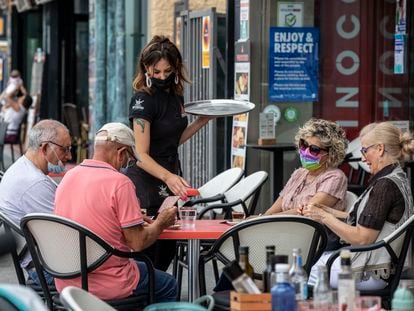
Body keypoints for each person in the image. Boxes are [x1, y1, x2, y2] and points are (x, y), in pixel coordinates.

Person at [54, 122, 178, 302]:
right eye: (130, 158)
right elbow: (137, 242)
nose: (128, 164)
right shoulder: (120, 182)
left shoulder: (68, 176)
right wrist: (161, 222)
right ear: (121, 153)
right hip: (108, 281)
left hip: (67, 279)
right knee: (168, 284)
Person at [124, 35, 212, 271]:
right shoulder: (142, 101)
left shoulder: (176, 96)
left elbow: (171, 141)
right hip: (146, 183)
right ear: (146, 68)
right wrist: (169, 177)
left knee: (167, 252)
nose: (162, 77)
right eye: (157, 72)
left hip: (170, 177)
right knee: (149, 255)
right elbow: (141, 155)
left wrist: (200, 122)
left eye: (168, 71)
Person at [305, 122, 414, 290]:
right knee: (309, 260)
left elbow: (362, 238)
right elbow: (369, 220)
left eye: (364, 150)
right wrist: (327, 210)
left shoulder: (385, 186)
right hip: (381, 267)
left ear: (379, 149)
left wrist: (323, 217)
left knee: (299, 269)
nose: (363, 158)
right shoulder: (397, 177)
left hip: (369, 272)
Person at [0, 119, 72, 285]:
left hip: (40, 262)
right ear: (45, 147)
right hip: (49, 269)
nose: (69, 156)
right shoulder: (34, 183)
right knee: (140, 269)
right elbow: (67, 235)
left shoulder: (22, 168)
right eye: (65, 149)